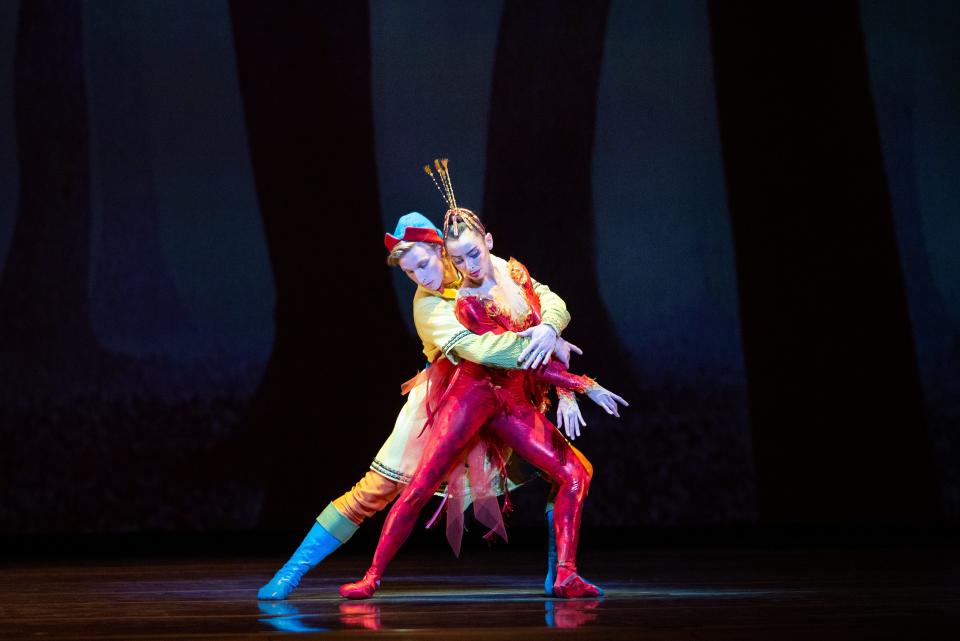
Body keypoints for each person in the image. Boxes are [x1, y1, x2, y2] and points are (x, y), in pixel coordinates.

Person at [258, 213, 587, 600]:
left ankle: (560, 572)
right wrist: (540, 347)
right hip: (450, 400)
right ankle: (291, 572)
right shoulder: (427, 307)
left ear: (439, 250)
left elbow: (545, 298)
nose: (419, 277)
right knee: (375, 490)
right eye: (410, 272)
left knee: (570, 470)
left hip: (505, 395)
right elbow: (477, 348)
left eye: (423, 263)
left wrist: (549, 329)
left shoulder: (480, 263)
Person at [339, 162, 627, 600]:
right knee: (419, 486)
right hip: (471, 396)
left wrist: (553, 338)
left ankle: (565, 573)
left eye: (474, 254)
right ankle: (372, 576)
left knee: (574, 474)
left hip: (510, 403)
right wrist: (581, 384)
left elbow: (552, 309)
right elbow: (521, 356)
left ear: (488, 243)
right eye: (458, 260)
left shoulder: (514, 274)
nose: (469, 266)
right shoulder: (467, 303)